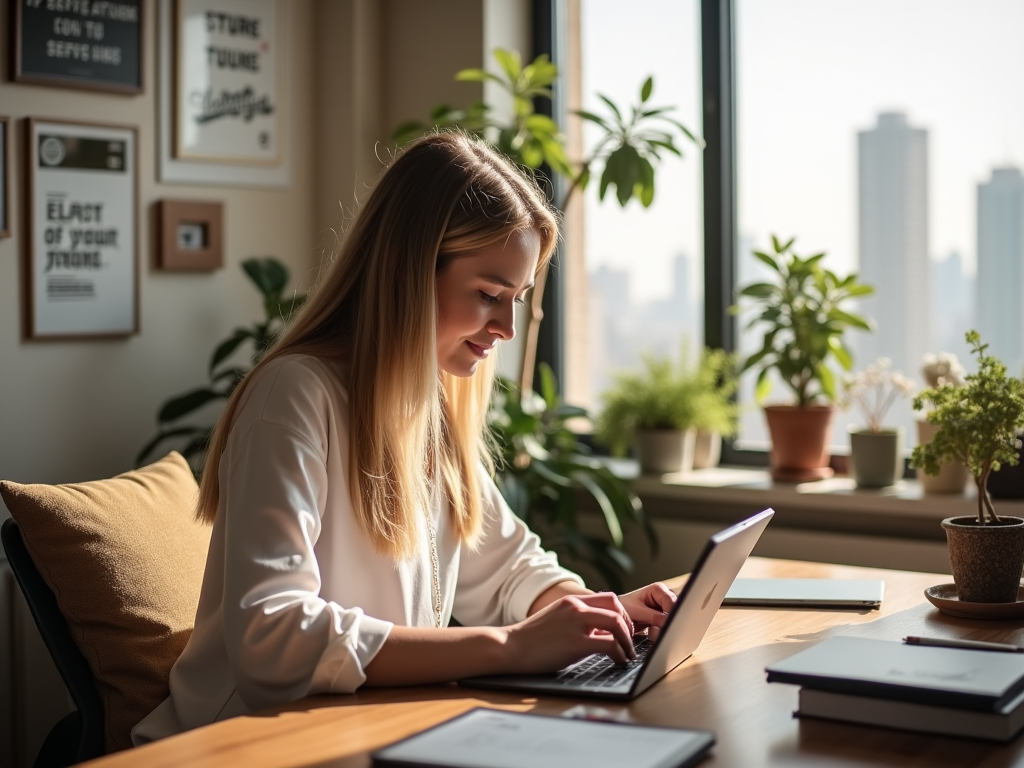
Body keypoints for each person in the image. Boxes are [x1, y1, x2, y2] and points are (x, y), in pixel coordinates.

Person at [132, 131, 676, 745]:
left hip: (371, 730)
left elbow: (505, 568)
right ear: (407, 271)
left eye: (518, 299)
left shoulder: (429, 406)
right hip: (243, 745)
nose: (507, 327)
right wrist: (508, 646)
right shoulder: (294, 396)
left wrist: (594, 613)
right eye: (489, 295)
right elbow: (272, 635)